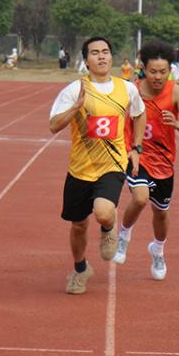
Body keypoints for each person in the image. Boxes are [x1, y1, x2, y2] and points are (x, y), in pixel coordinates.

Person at [48, 36, 147, 294]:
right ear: (86, 60)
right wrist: (76, 107)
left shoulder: (127, 88)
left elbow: (139, 113)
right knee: (78, 225)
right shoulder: (74, 90)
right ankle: (80, 269)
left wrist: (136, 148)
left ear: (112, 57)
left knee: (103, 211)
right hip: (80, 169)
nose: (101, 57)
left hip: (112, 164)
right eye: (95, 53)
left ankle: (108, 225)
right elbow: (53, 125)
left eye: (105, 52)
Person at [112, 40, 179, 280]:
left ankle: (157, 249)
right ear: (143, 69)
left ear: (170, 70)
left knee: (160, 213)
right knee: (140, 198)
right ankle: (123, 237)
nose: (158, 77)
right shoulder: (132, 90)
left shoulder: (177, 93)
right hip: (137, 154)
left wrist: (176, 123)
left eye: (163, 71)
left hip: (164, 162)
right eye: (153, 71)